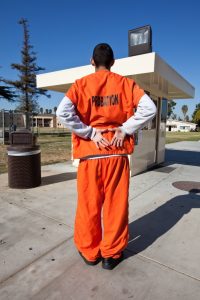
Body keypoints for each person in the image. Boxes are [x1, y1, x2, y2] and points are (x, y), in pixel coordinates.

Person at [56, 43, 156, 270]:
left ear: (92, 61)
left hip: (91, 156)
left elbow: (61, 112)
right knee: (116, 206)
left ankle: (91, 252)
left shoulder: (80, 85)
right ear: (113, 62)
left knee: (88, 206)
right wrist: (125, 129)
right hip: (117, 154)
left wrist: (90, 132)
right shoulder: (126, 84)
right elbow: (149, 108)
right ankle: (111, 255)